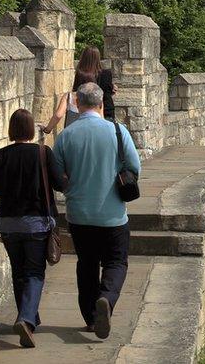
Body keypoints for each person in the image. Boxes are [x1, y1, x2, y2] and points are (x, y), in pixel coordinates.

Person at [52, 82, 141, 339]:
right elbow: (135, 168)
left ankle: (91, 318)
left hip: (79, 214)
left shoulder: (66, 135)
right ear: (101, 103)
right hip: (112, 213)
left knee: (87, 264)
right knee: (115, 262)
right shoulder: (117, 131)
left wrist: (71, 187)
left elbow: (58, 175)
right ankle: (106, 298)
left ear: (77, 104)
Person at [0, 109, 58, 348]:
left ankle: (29, 318)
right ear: (30, 130)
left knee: (18, 271)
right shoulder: (42, 152)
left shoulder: (0, 155)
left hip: (8, 222)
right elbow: (60, 182)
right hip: (36, 222)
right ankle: (26, 317)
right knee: (34, 272)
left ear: (11, 129)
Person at [74, 47, 117, 120]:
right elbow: (107, 94)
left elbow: (76, 92)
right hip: (106, 110)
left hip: (86, 111)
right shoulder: (106, 74)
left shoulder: (81, 74)